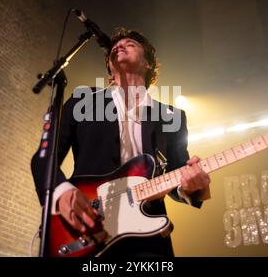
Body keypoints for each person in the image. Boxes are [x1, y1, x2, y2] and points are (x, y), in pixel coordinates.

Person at [31, 27, 211, 257]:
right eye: (114, 47)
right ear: (109, 67)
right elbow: (44, 158)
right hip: (88, 228)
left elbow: (177, 176)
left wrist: (193, 187)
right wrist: (62, 192)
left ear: (148, 64)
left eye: (130, 44)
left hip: (147, 237)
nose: (119, 46)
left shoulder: (172, 116)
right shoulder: (82, 102)